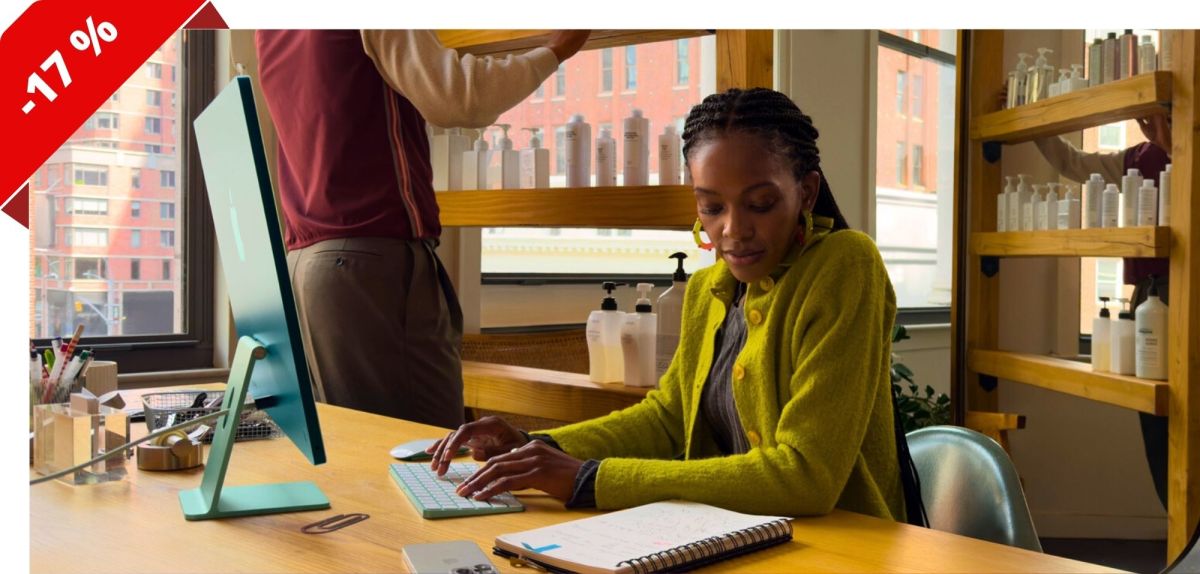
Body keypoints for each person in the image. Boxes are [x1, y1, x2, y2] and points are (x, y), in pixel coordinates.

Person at [428, 87, 905, 520]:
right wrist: (537, 447)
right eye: (712, 207)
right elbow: (669, 417)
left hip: (847, 545)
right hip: (732, 535)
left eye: (760, 203)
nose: (732, 230)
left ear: (806, 192)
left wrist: (590, 480)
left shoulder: (845, 264)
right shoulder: (705, 291)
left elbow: (805, 477)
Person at [254, 30, 590, 429]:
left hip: (306, 262)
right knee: (432, 456)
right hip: (370, 261)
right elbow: (461, 98)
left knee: (361, 450)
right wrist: (558, 47)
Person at [1034, 113, 1172, 511]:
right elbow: (1073, 163)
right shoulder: (1136, 158)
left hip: (1186, 299)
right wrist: (1036, 121)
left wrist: (1173, 147)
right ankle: (1179, 526)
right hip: (1148, 299)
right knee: (1154, 416)